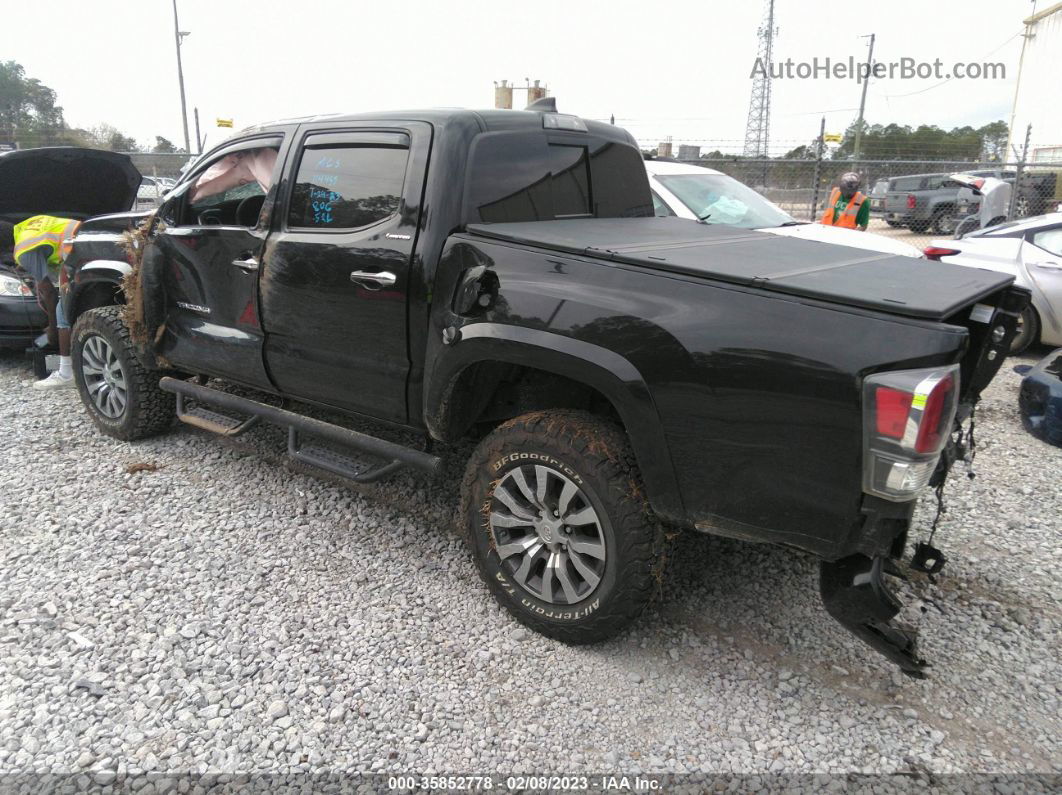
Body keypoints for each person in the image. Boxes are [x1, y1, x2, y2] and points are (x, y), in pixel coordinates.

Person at [4, 215, 82, 390]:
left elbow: (49, 293)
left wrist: (52, 329)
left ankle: (66, 374)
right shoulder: (27, 227)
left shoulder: (23, 249)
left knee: (63, 314)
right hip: (87, 239)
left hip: (80, 250)